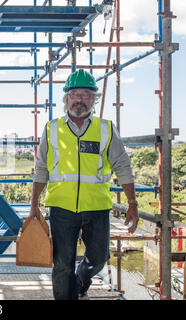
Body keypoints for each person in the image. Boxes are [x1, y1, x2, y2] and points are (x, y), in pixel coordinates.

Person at [28, 69, 139, 300]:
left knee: (99, 257)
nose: (80, 99)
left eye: (86, 94)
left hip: (97, 207)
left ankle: (80, 280)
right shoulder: (51, 128)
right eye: (75, 94)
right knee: (61, 265)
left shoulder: (106, 128)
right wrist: (34, 205)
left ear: (94, 99)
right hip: (61, 207)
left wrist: (132, 203)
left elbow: (123, 165)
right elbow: (41, 167)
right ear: (66, 98)